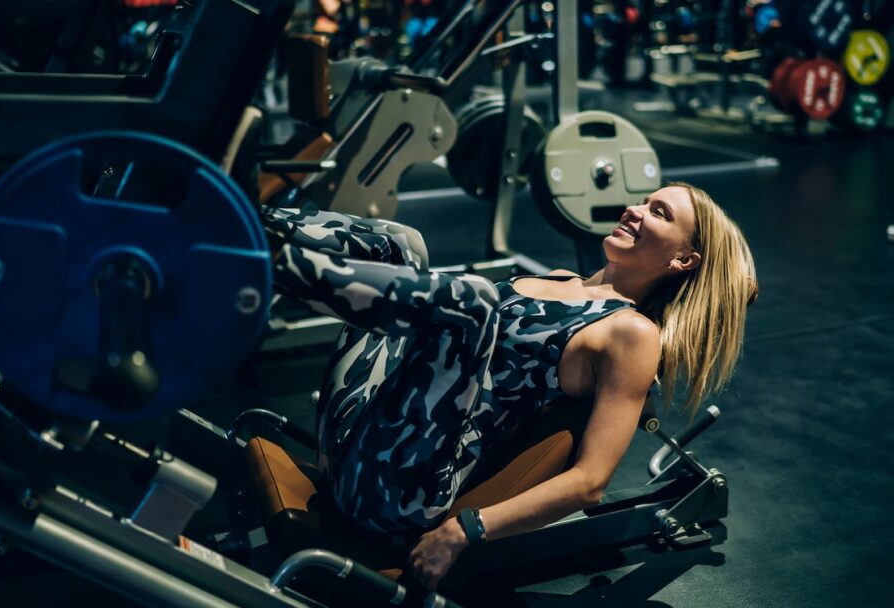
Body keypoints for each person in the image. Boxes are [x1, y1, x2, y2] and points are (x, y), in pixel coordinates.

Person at [265, 182, 756, 589]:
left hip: (396, 490)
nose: (634, 210)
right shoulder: (563, 279)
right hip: (356, 433)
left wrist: (463, 531)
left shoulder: (631, 334)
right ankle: (240, 220)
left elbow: (590, 482)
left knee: (473, 303)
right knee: (404, 243)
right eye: (643, 201)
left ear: (683, 261)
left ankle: (274, 271)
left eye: (658, 212)